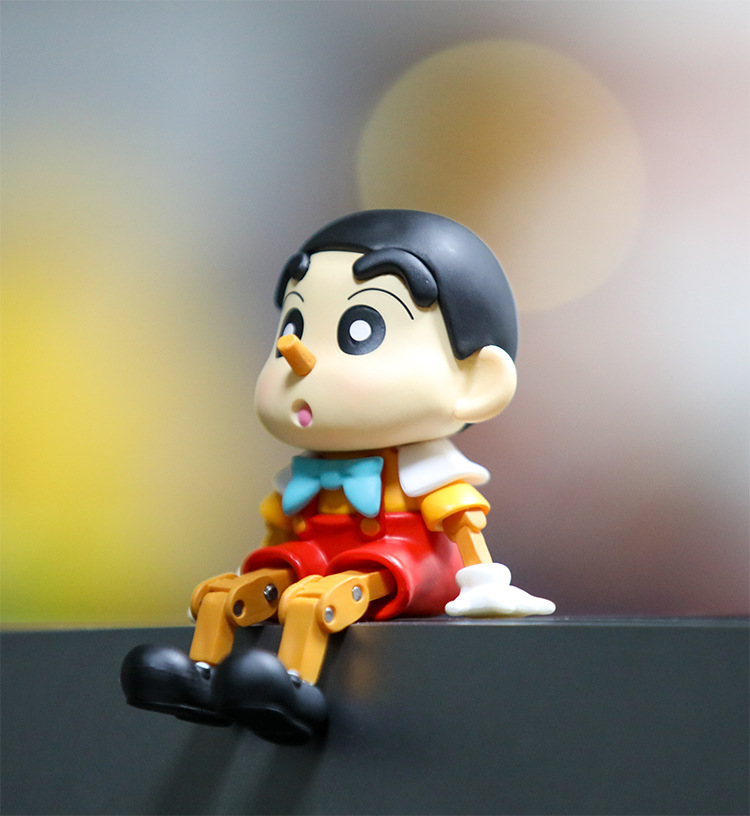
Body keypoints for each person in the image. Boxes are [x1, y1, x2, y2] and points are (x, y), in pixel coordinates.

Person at [121, 209, 554, 744]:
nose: (297, 357)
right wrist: (257, 567)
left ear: (477, 383)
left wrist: (485, 583)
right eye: (294, 325)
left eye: (359, 331)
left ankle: (294, 688)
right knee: (220, 594)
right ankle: (202, 675)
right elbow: (278, 529)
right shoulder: (304, 473)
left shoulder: (426, 472)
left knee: (308, 604)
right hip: (312, 556)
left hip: (398, 562)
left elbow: (461, 522)